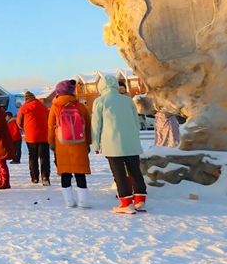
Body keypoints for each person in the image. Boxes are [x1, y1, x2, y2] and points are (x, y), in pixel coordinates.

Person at [92, 75, 148, 214]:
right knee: (135, 170)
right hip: (131, 142)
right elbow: (136, 121)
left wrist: (96, 144)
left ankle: (126, 203)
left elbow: (96, 125)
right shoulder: (127, 100)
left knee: (119, 173)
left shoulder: (100, 101)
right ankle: (140, 200)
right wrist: (135, 137)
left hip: (112, 143)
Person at [48, 80, 92, 208]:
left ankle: (69, 201)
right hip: (79, 143)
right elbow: (88, 125)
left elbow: (50, 126)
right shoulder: (80, 106)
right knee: (80, 172)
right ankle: (83, 201)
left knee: (65, 172)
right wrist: (88, 142)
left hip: (62, 144)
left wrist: (51, 142)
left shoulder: (55, 107)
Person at [17, 91, 51, 185]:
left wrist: (25, 128)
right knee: (44, 157)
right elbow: (49, 118)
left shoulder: (23, 107)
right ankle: (45, 177)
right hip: (44, 134)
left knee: (33, 156)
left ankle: (35, 177)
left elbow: (19, 123)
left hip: (31, 136)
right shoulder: (42, 106)